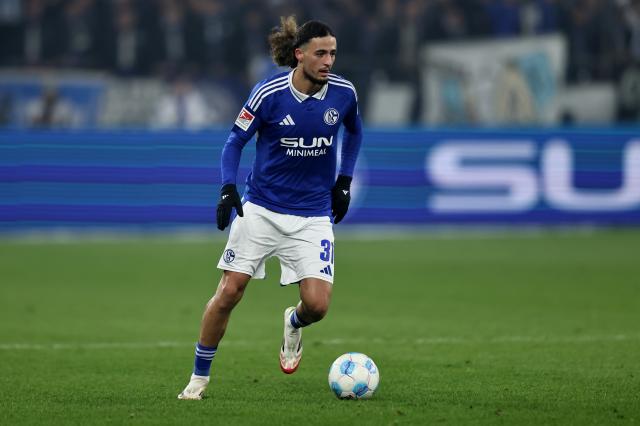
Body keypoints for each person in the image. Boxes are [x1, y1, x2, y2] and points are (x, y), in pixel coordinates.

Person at [178, 15, 363, 400]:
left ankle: (293, 322)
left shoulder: (344, 93)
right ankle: (198, 378)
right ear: (299, 55)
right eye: (320, 54)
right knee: (229, 291)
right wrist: (227, 189)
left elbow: (355, 131)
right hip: (261, 209)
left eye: (332, 53)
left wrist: (344, 181)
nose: (328, 61)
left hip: (313, 214)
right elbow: (234, 141)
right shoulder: (269, 93)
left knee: (317, 306)